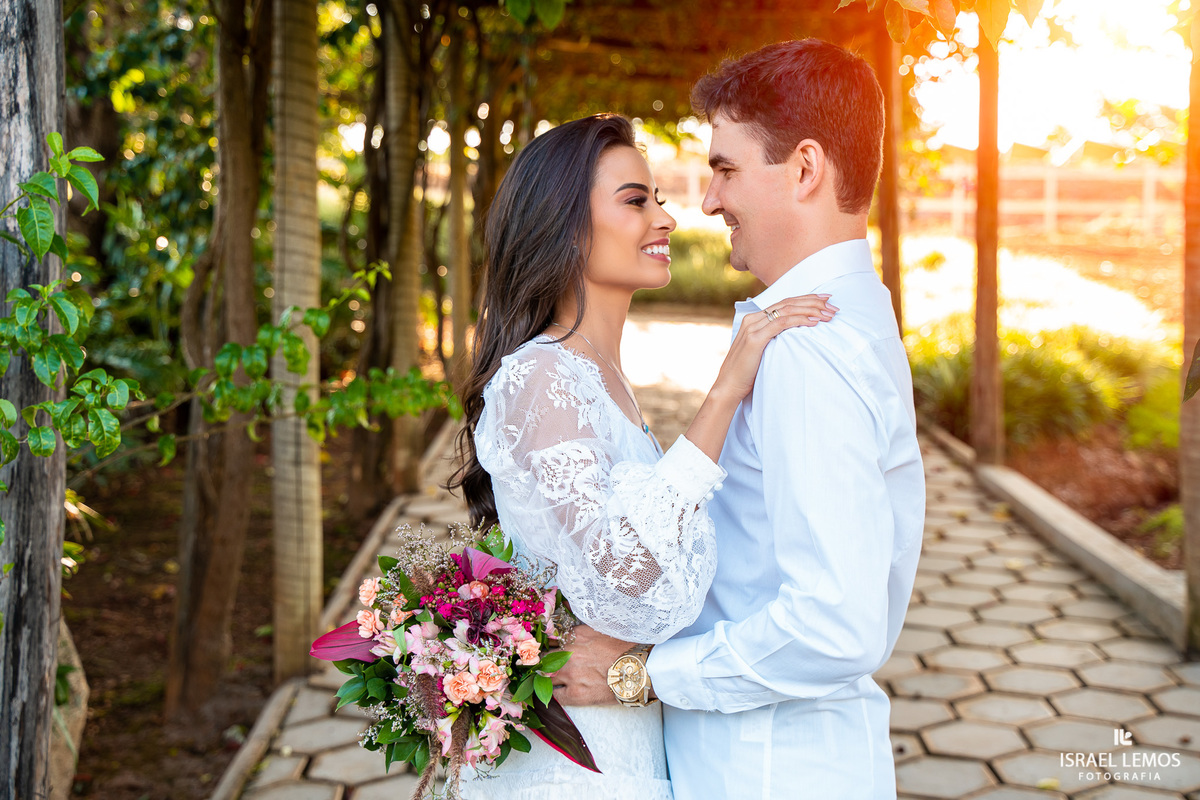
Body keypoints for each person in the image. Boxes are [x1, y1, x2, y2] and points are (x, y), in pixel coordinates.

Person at [554, 41, 926, 800]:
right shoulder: (845, 316)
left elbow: (834, 623)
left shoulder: (808, 347)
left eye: (725, 168)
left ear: (805, 168)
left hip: (770, 768)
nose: (708, 200)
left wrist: (640, 675)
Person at [449, 112, 837, 797]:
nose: (666, 218)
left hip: (622, 736)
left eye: (657, 198)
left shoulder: (603, 380)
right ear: (564, 227)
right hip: (572, 763)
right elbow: (621, 575)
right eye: (635, 201)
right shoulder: (542, 376)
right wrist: (724, 394)